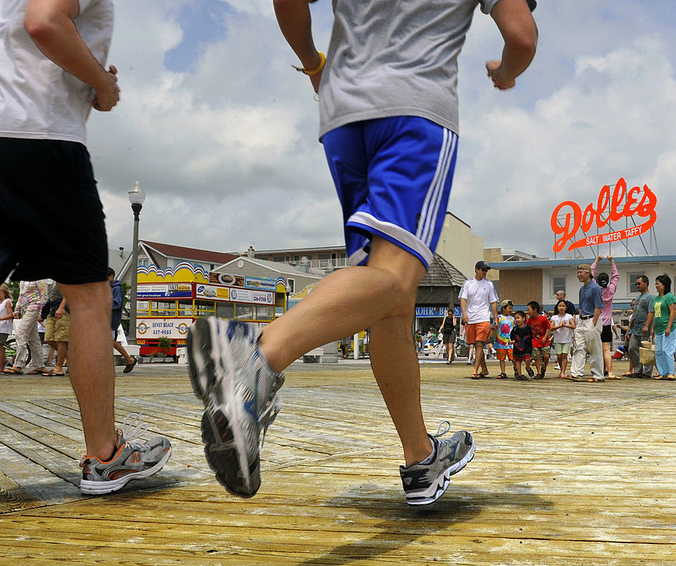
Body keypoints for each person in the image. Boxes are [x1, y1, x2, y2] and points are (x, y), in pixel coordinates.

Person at [187, 0, 538, 505]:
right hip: (414, 107)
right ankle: (255, 361)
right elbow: (521, 37)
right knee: (395, 277)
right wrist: (505, 73)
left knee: (389, 299)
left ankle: (421, 457)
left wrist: (313, 64)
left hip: (344, 114)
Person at [0, 0, 171, 493]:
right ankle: (105, 454)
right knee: (92, 299)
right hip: (41, 141)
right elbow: (45, 21)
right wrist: (101, 82)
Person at [460, 261, 500, 379]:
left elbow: (493, 302)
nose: (485, 272)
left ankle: (475, 370)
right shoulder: (468, 283)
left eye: (486, 270)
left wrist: (496, 319)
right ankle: (484, 369)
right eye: (483, 270)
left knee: (479, 344)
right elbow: (463, 299)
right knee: (474, 344)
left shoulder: (489, 285)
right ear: (476, 269)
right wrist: (464, 314)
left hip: (483, 317)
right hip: (470, 318)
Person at [569, 264, 604, 382]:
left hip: (592, 319)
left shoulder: (595, 288)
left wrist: (593, 323)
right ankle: (576, 373)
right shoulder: (582, 289)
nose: (578, 274)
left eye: (580, 272)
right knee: (579, 346)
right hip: (582, 319)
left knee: (594, 348)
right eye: (578, 272)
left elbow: (598, 307)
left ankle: (598, 375)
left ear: (588, 273)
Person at [5, 280, 48, 375]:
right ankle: (40, 365)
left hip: (34, 307)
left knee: (20, 334)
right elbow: (21, 294)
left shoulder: (40, 278)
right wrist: (17, 309)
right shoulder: (23, 278)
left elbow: (44, 296)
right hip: (25, 308)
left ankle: (18, 364)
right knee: (33, 338)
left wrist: (41, 313)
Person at [591, 255, 620, 379]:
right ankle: (610, 372)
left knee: (596, 349)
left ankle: (598, 371)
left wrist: (597, 261)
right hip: (607, 323)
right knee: (606, 348)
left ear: (597, 281)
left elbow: (590, 274)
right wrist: (612, 261)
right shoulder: (611, 290)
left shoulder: (595, 289)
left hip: (596, 322)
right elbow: (616, 277)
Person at [108, 269, 137, 373]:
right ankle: (128, 360)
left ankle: (129, 359)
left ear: (111, 276)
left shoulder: (116, 289)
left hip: (112, 320)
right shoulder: (108, 288)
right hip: (105, 319)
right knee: (108, 342)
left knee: (110, 342)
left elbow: (117, 303)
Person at [627, 275, 655, 379]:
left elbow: (651, 312)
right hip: (635, 328)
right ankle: (637, 370)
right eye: (636, 284)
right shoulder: (638, 298)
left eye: (639, 283)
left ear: (646, 283)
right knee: (632, 348)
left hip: (644, 328)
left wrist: (647, 325)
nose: (637, 286)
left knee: (646, 350)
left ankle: (647, 372)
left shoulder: (650, 297)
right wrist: (629, 329)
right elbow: (634, 314)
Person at [650, 274, 676, 381]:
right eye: (656, 284)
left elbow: (672, 312)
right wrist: (652, 328)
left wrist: (669, 327)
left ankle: (671, 372)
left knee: (667, 350)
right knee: (658, 351)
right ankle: (662, 372)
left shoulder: (669, 296)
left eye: (658, 284)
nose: (656, 286)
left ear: (664, 285)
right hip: (658, 329)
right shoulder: (656, 299)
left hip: (668, 327)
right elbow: (655, 314)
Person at [41, 281, 69, 376]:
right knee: (49, 339)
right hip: (52, 308)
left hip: (63, 308)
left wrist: (61, 307)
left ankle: (58, 368)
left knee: (60, 339)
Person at [549, 299, 575, 379]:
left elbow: (573, 326)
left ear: (566, 307)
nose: (561, 308)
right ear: (557, 307)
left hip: (566, 339)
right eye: (560, 306)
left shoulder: (569, 316)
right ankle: (561, 370)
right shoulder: (554, 317)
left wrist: (565, 325)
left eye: (563, 306)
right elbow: (551, 328)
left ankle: (563, 371)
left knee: (564, 355)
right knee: (559, 356)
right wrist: (560, 326)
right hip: (558, 339)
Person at [526, 301, 551, 379]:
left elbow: (548, 328)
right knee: (536, 357)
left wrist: (545, 337)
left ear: (535, 309)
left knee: (546, 356)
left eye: (529, 309)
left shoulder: (543, 318)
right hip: (534, 341)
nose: (528, 312)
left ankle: (544, 367)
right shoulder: (529, 321)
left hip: (544, 340)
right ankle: (539, 372)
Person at [510, 310, 533, 379]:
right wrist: (513, 341)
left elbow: (532, 336)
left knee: (527, 359)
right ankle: (520, 374)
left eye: (518, 318)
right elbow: (512, 337)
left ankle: (528, 367)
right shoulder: (515, 329)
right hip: (517, 348)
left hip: (527, 347)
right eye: (515, 318)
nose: (516, 320)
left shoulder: (528, 328)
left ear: (523, 318)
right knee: (518, 361)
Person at [494, 300, 514, 378]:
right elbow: (494, 328)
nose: (511, 310)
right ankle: (503, 372)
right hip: (500, 342)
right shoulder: (498, 318)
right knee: (501, 358)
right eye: (509, 308)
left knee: (513, 358)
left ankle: (516, 370)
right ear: (503, 308)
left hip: (510, 342)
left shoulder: (512, 319)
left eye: (511, 308)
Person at [0, 284, 13, 370]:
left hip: (3, 327)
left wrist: (0, 318)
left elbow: (10, 314)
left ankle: (1, 365)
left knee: (0, 346)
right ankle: (3, 360)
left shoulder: (7, 302)